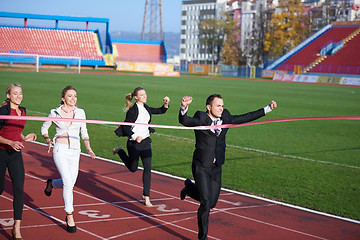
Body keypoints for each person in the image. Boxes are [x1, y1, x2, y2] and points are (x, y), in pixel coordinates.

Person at [179, 94, 277, 240]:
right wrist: (184, 108)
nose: (221, 108)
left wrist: (267, 108)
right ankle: (202, 237)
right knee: (205, 204)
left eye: (222, 105)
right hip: (202, 166)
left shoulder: (225, 117)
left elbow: (245, 117)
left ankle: (189, 188)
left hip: (217, 167)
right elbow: (185, 121)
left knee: (211, 203)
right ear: (209, 107)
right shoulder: (201, 117)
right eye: (218, 105)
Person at [41, 86, 95, 233]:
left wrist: (88, 148)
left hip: (75, 150)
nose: (73, 99)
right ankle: (70, 215)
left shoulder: (81, 112)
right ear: (63, 98)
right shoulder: (55, 112)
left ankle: (51, 184)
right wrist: (47, 140)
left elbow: (84, 131)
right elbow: (44, 128)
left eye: (75, 96)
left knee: (71, 182)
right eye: (70, 96)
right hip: (60, 149)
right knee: (67, 182)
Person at [113, 87, 170, 207]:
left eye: (145, 94)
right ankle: (120, 151)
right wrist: (134, 136)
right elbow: (125, 127)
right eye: (142, 95)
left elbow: (159, 111)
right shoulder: (133, 111)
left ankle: (146, 196)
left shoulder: (146, 108)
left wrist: (165, 105)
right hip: (134, 143)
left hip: (145, 142)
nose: (145, 96)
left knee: (147, 168)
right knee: (133, 168)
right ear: (136, 97)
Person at [0, 84, 37, 240]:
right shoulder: (2, 111)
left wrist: (25, 137)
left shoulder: (22, 111)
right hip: (1, 152)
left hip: (15, 154)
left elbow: (17, 131)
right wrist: (10, 143)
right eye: (15, 93)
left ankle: (17, 229)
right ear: (8, 96)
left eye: (20, 93)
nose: (18, 96)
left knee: (19, 190)